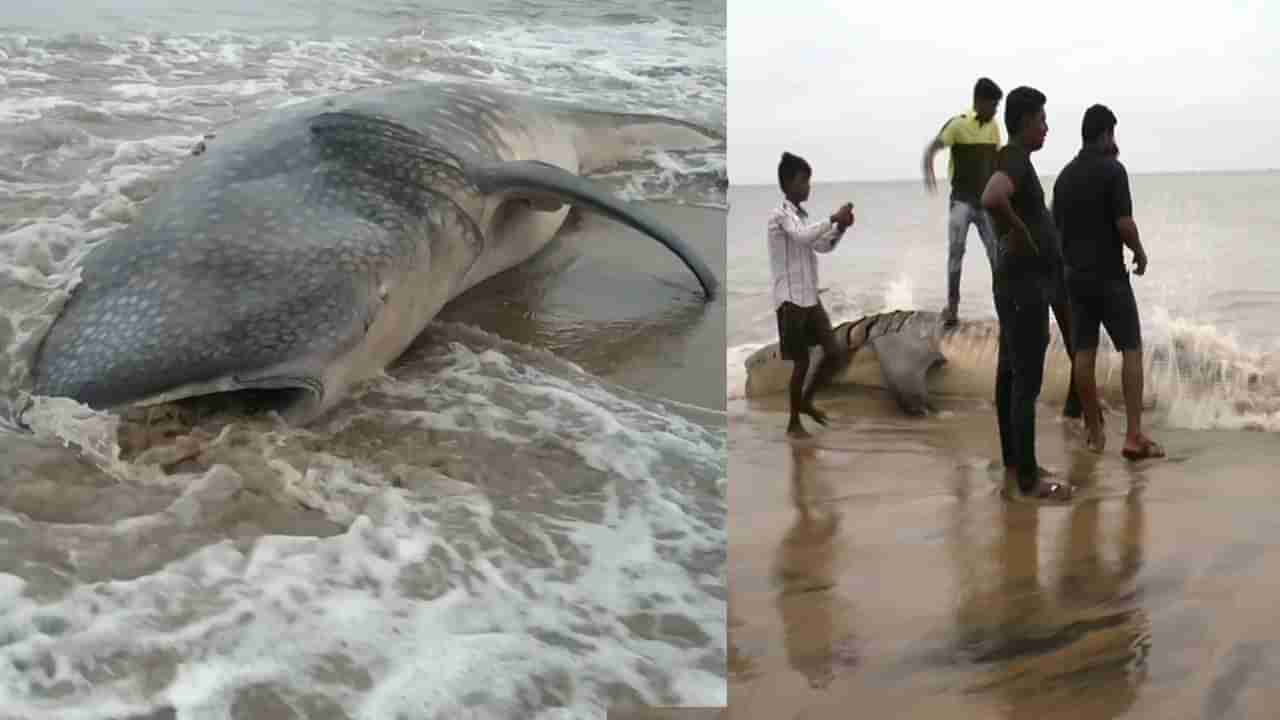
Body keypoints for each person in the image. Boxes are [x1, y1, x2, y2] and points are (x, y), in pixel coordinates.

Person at [1051, 104, 1164, 461]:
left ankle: (1095, 435)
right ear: (1104, 134)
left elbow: (1055, 229)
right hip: (1109, 278)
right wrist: (1140, 252)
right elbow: (1124, 224)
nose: (1114, 141)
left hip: (1075, 280)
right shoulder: (1114, 171)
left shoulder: (1064, 178)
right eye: (1112, 134)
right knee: (1131, 349)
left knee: (1083, 354)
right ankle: (1133, 436)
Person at [980, 86, 1074, 501]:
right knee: (1025, 382)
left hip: (1014, 284)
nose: (1046, 127)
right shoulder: (1014, 158)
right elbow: (991, 198)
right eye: (1041, 120)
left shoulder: (1014, 160)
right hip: (1023, 287)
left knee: (1010, 373)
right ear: (1023, 122)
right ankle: (1028, 481)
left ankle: (1017, 463)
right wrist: (1019, 232)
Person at [768, 151, 854, 438]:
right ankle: (793, 422)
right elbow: (803, 236)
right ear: (790, 182)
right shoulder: (780, 216)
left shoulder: (801, 218)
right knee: (802, 362)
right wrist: (833, 218)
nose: (808, 187)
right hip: (790, 300)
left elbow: (822, 247)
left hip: (809, 298)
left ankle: (806, 400)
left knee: (834, 353)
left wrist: (840, 228)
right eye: (805, 181)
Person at [922, 77, 1003, 328]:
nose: (995, 110)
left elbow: (998, 162)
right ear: (979, 102)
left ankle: (1004, 305)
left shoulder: (994, 128)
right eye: (992, 105)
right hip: (961, 202)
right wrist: (929, 172)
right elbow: (933, 148)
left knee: (996, 253)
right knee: (956, 252)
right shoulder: (957, 125)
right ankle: (953, 307)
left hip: (986, 203)